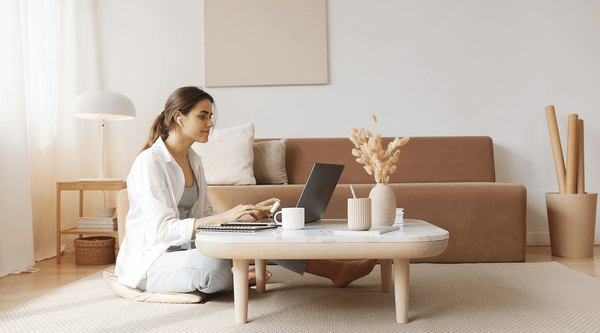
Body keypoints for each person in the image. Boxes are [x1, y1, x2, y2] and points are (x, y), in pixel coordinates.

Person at [115, 86, 377, 295]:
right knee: (214, 265)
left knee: (262, 234)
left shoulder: (194, 160)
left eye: (211, 116)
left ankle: (336, 270)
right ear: (178, 117)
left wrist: (244, 215)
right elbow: (163, 230)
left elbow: (205, 213)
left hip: (188, 248)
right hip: (152, 261)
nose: (210, 123)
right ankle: (238, 277)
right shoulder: (150, 162)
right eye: (202, 116)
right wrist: (224, 218)